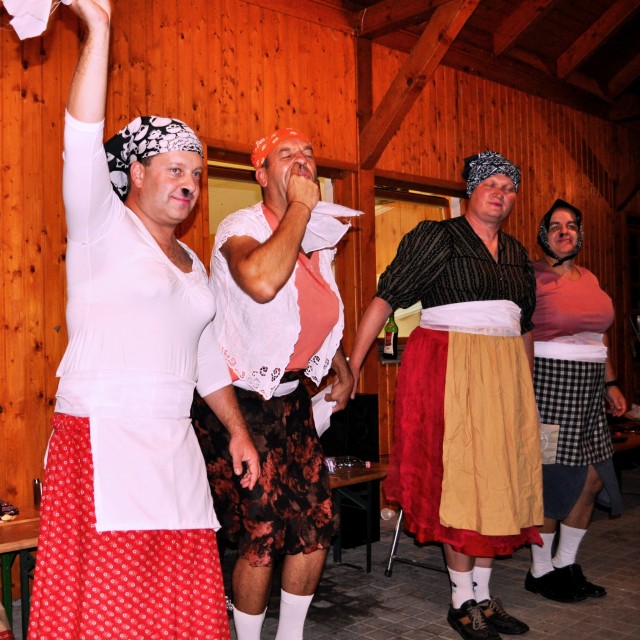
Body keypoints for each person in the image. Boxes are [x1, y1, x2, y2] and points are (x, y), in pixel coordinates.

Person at [27, 2, 259, 638]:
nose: (189, 183)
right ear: (135, 172)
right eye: (175, 170)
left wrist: (237, 431)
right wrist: (98, 29)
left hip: (174, 441)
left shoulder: (192, 262)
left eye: (196, 174)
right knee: (114, 601)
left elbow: (203, 356)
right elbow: (81, 136)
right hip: (104, 436)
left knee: (179, 593)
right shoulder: (100, 226)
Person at [348, 151, 543, 640]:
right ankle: (461, 602)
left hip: (504, 376)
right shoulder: (438, 237)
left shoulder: (517, 252)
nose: (500, 193)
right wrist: (352, 366)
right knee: (459, 480)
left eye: (509, 187)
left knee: (497, 479)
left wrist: (526, 389)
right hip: (450, 367)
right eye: (490, 184)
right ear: (470, 191)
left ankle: (484, 595)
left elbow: (523, 325)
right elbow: (385, 299)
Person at [190, 128, 356, 640]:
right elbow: (262, 283)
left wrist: (341, 364)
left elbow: (309, 310)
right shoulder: (241, 226)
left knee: (315, 524)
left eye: (309, 153)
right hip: (236, 401)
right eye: (286, 155)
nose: (302, 160)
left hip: (290, 399)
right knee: (262, 530)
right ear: (261, 175)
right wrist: (300, 208)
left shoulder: (317, 235)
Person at [524, 199, 627, 603]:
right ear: (543, 235)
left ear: (580, 234)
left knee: (594, 476)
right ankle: (540, 571)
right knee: (551, 480)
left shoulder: (590, 279)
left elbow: (597, 337)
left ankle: (564, 564)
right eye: (555, 226)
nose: (563, 231)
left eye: (570, 225)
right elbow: (516, 335)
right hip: (548, 389)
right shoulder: (530, 276)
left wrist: (610, 383)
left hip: (588, 393)